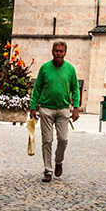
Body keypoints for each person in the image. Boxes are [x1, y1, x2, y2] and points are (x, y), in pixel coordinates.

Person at [29, 40, 79, 184]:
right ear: (52, 51)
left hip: (63, 109)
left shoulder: (70, 69)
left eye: (61, 51)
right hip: (46, 109)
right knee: (47, 140)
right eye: (56, 51)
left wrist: (76, 107)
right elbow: (37, 88)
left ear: (65, 52)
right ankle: (48, 170)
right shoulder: (45, 68)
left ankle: (58, 161)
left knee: (63, 139)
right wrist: (33, 107)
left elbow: (75, 88)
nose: (58, 53)